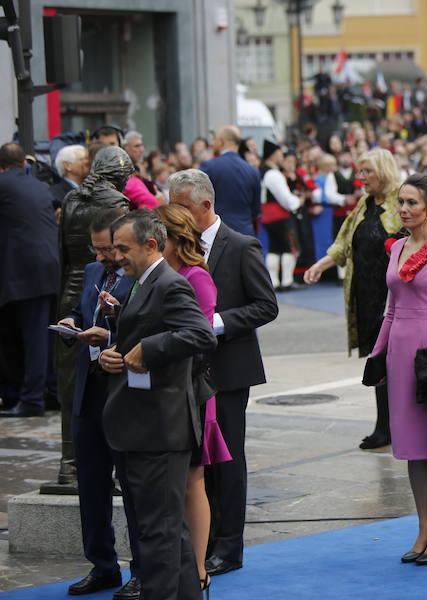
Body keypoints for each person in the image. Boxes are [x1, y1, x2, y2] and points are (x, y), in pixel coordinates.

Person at [99, 209, 216, 600]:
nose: (117, 256)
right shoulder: (141, 282)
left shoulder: (169, 283)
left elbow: (200, 335)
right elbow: (146, 331)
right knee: (166, 532)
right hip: (142, 426)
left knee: (158, 536)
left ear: (152, 246)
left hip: (159, 430)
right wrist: (113, 349)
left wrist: (147, 350)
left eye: (123, 248)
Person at [167, 169, 278, 578]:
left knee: (228, 459)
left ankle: (229, 545)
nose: (172, 214)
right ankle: (205, 539)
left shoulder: (241, 245)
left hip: (229, 369)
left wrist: (217, 322)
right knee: (200, 464)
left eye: (179, 206)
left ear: (205, 205)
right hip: (189, 372)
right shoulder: (176, 247)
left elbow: (266, 306)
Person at [369, 173, 427, 565]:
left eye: (411, 203)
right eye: (401, 202)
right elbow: (391, 309)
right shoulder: (397, 249)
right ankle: (423, 526)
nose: (403, 209)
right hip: (400, 354)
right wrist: (377, 356)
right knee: (411, 447)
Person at [58, 208, 142, 599]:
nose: (102, 258)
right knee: (91, 485)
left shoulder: (139, 274)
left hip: (123, 391)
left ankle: (142, 570)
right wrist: (72, 325)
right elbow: (78, 311)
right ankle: (103, 566)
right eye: (96, 250)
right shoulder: (94, 272)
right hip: (88, 393)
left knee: (134, 485)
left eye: (108, 249)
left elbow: (145, 326)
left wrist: (109, 330)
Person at [304, 149, 403, 450]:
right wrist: (321, 265)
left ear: (383, 171)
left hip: (393, 296)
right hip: (366, 294)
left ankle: (397, 427)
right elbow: (344, 243)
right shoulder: (363, 204)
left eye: (367, 172)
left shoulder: (401, 201)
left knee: (395, 362)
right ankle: (385, 426)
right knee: (379, 361)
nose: (361, 178)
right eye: (359, 172)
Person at [157, 203, 232, 595]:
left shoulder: (195, 276)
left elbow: (199, 337)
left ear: (174, 238)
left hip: (191, 388)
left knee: (192, 479)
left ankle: (199, 570)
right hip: (163, 388)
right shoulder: (158, 273)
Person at [56, 145, 132, 483]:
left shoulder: (72, 198)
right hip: (104, 287)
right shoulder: (117, 205)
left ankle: (69, 460)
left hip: (74, 287)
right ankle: (114, 457)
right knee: (109, 374)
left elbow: (62, 251)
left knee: (72, 382)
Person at [0, 143, 59, 418]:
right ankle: (45, 392)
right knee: (42, 336)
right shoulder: (38, 185)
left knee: (33, 337)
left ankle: (32, 399)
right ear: (23, 162)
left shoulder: (3, 184)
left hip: (23, 271)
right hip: (47, 268)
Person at [200, 126, 262, 237]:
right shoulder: (253, 171)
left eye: (214, 140)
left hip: (217, 234)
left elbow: (200, 201)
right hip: (245, 234)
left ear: (222, 141)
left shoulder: (209, 167)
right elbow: (256, 209)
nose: (212, 144)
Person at [259, 140, 302, 291]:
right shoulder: (273, 173)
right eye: (279, 154)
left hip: (267, 215)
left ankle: (274, 281)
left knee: (274, 247)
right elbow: (284, 198)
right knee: (288, 247)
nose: (281, 157)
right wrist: (297, 201)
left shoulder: (262, 171)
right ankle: (287, 281)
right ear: (272, 155)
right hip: (279, 215)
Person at [51, 144, 90, 211]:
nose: (87, 162)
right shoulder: (55, 195)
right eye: (82, 159)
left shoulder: (92, 188)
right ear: (67, 165)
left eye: (88, 159)